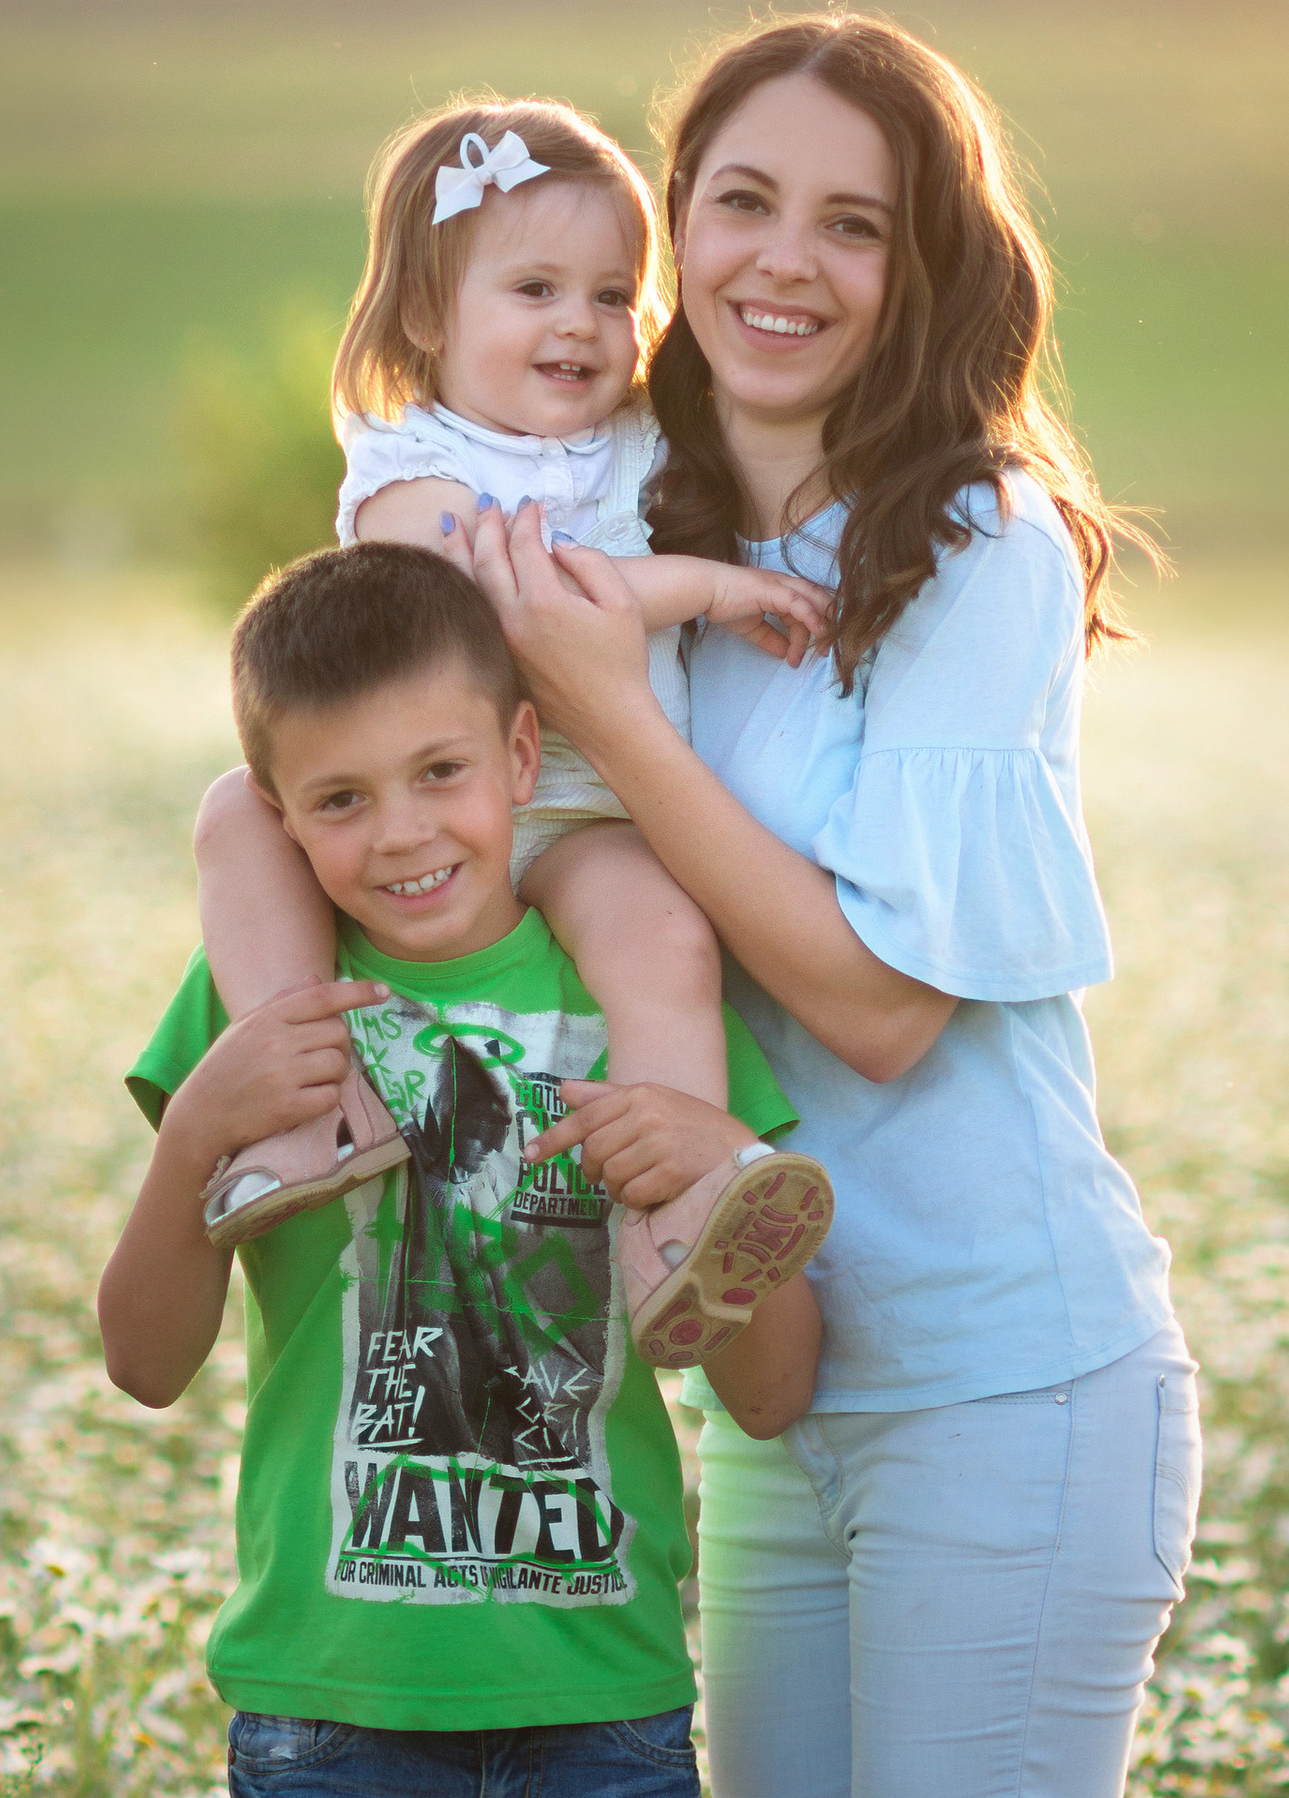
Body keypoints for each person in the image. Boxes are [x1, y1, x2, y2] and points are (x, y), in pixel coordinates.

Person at [470, 13, 1204, 1798]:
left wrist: (607, 689)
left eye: (851, 219)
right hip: (785, 1403)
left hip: (1011, 1380)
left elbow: (879, 1002)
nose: (783, 262)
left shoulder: (971, 542)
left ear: (922, 268)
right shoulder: (636, 521)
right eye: (743, 205)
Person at [97, 540, 822, 1798]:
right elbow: (142, 1357)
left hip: (592, 1712)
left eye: (436, 776)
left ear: (523, 753)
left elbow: (767, 1384)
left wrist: (697, 1186)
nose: (397, 834)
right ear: (278, 819)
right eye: (337, 801)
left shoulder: (629, 1005)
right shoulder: (267, 1014)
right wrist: (192, 1147)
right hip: (333, 1719)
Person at [189, 96, 836, 1367]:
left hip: (588, 803)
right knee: (232, 814)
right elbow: (519, 606)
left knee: (662, 937)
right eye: (535, 289)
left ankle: (676, 1223)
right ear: (430, 316)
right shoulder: (409, 466)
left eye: (610, 295)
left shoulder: (642, 444)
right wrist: (708, 588)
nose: (580, 326)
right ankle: (293, 1120)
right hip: (433, 798)